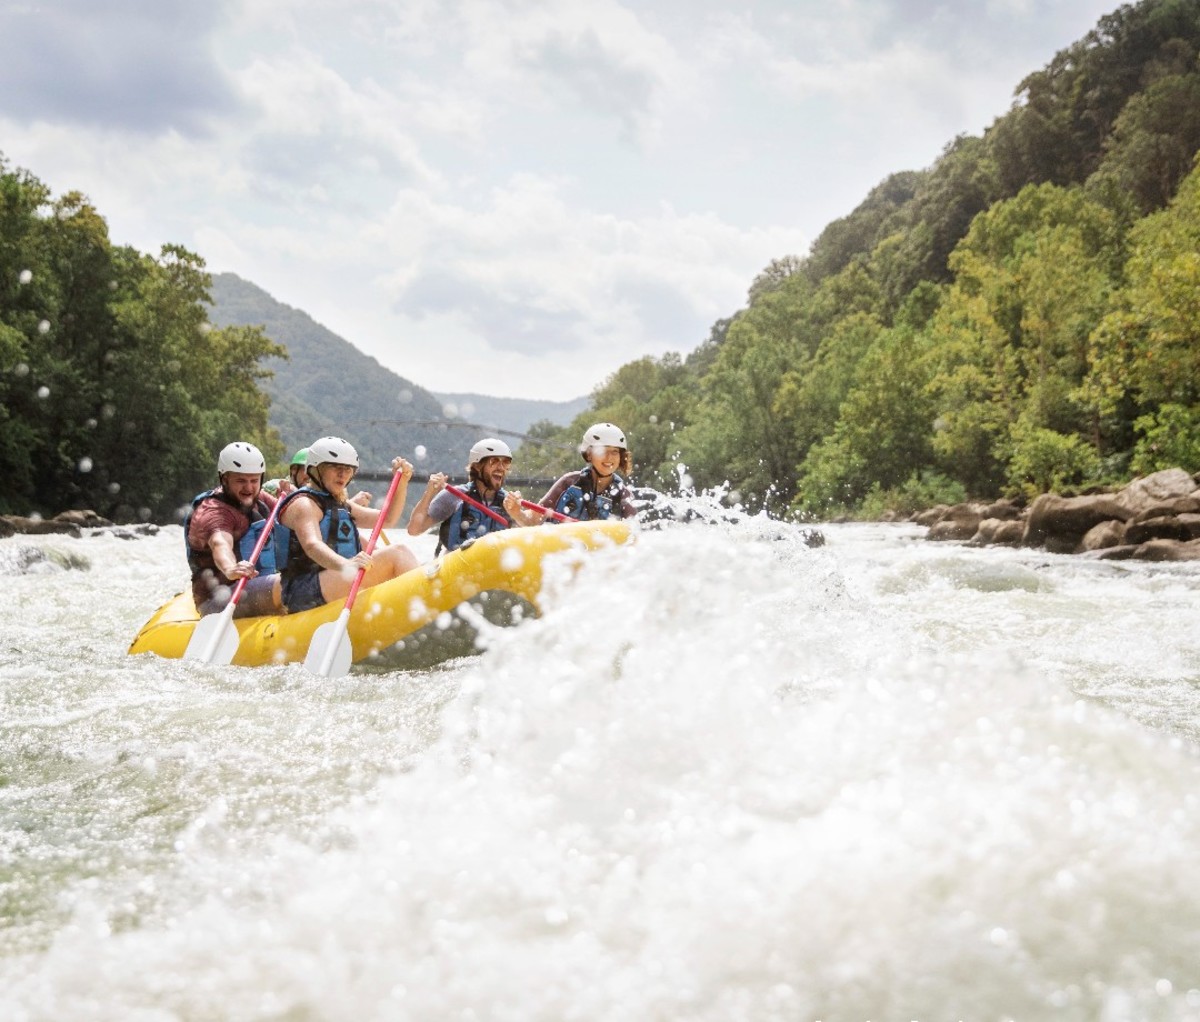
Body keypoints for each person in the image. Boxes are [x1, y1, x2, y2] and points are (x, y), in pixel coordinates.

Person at [276, 435, 419, 613]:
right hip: (303, 591)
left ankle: (414, 605)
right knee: (398, 553)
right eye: (335, 467)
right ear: (315, 469)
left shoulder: (340, 504)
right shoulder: (304, 504)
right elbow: (312, 545)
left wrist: (402, 483)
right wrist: (346, 565)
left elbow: (387, 519)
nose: (343, 474)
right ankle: (424, 610)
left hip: (333, 580)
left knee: (398, 554)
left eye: (348, 469)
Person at [184, 441, 283, 617]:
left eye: (254, 480)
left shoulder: (258, 498)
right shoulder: (213, 512)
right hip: (218, 600)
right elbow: (220, 543)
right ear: (224, 479)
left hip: (252, 587)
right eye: (241, 481)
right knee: (290, 586)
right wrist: (230, 568)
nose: (249, 487)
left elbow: (288, 516)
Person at [407, 437, 531, 553]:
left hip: (493, 569)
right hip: (457, 567)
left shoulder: (509, 503)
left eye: (506, 462)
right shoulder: (454, 496)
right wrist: (430, 493)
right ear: (477, 466)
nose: (501, 467)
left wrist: (517, 513)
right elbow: (414, 529)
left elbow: (531, 531)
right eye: (494, 461)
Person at [537, 422, 637, 521]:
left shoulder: (624, 496)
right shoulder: (569, 482)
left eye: (615, 451)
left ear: (621, 456)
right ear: (589, 454)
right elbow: (532, 519)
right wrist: (520, 513)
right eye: (602, 450)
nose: (609, 457)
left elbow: (633, 533)